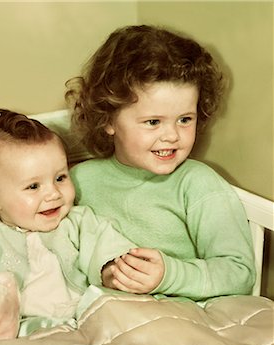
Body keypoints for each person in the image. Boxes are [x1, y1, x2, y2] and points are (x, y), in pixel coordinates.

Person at [65, 24, 255, 301]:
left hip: (180, 319)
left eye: (185, 119)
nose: (172, 136)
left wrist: (170, 275)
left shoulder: (198, 184)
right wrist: (105, 272)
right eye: (153, 122)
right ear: (108, 120)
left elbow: (239, 272)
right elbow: (62, 249)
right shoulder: (78, 181)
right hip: (107, 314)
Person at [0, 109, 135, 334]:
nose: (53, 194)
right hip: (17, 328)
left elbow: (105, 246)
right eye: (33, 186)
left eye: (60, 178)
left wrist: (112, 270)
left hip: (83, 316)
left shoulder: (78, 222)